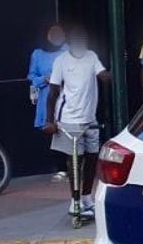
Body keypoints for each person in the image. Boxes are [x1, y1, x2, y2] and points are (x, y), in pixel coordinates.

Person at [43, 26, 110, 219]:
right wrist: (49, 121)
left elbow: (102, 74)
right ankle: (75, 201)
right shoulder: (61, 61)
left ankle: (87, 197)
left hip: (90, 119)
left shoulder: (91, 56)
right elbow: (53, 92)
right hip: (69, 120)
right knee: (74, 161)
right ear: (70, 43)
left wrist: (109, 76)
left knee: (92, 159)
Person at [28, 24, 68, 179]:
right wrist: (43, 79)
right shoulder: (37, 54)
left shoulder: (68, 50)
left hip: (67, 96)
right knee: (53, 131)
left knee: (68, 130)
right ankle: (60, 168)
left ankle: (73, 166)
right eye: (53, 33)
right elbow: (31, 76)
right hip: (47, 97)